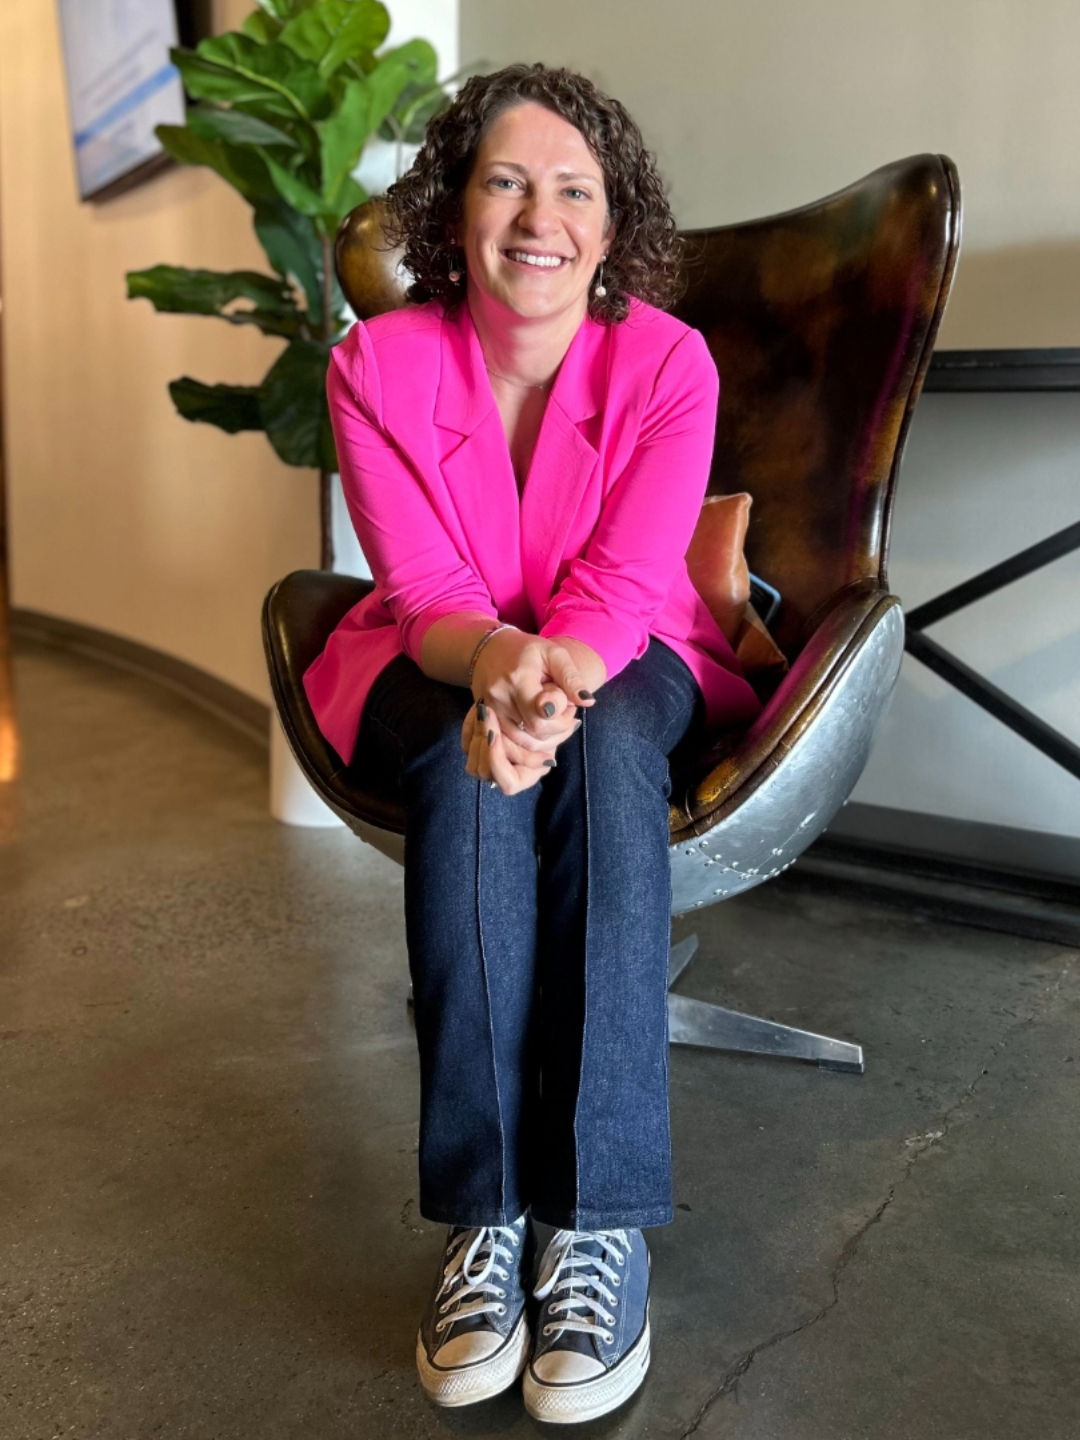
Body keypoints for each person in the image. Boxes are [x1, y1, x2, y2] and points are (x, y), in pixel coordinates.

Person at [303, 63, 762, 1424]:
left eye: (574, 190)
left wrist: (551, 689)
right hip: (439, 647)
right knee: (460, 765)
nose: (539, 218)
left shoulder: (668, 362)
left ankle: (599, 1221)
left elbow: (624, 586)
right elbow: (427, 591)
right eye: (505, 182)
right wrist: (497, 675)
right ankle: (487, 1217)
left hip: (625, 648)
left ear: (614, 227)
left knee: (611, 750)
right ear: (457, 210)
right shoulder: (373, 366)